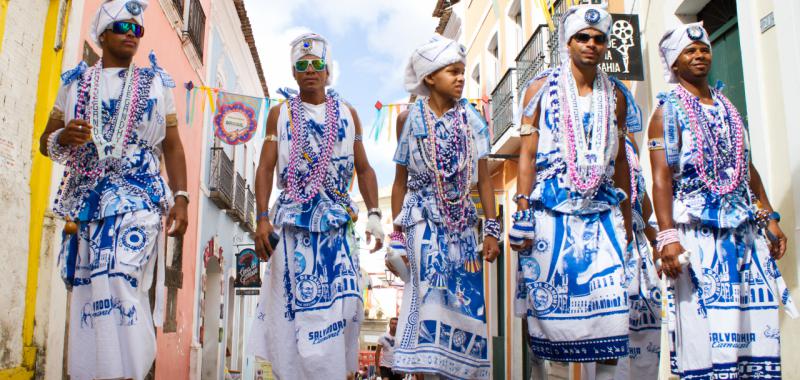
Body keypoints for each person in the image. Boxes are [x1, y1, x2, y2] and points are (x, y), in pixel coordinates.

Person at [39, 1, 188, 378]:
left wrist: (182, 198)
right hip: (88, 199)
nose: (130, 35)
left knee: (120, 276)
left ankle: (130, 371)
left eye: (137, 29)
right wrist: (63, 135)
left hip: (139, 194)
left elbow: (172, 144)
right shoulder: (74, 83)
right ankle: (99, 370)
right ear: (102, 34)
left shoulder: (156, 83)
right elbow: (45, 141)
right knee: (92, 287)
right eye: (122, 27)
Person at [649, 22, 797, 378]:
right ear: (674, 63)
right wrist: (667, 238)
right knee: (708, 336)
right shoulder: (666, 112)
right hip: (697, 238)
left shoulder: (727, 107)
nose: (699, 56)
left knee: (752, 337)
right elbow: (661, 178)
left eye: (704, 50)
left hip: (743, 236)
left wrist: (768, 216)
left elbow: (747, 168)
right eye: (690, 51)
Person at [248, 32, 383, 379]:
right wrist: (262, 218)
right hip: (292, 225)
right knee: (290, 311)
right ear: (294, 73)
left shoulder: (349, 114)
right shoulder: (279, 113)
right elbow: (264, 167)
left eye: (317, 64)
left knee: (342, 307)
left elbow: (364, 168)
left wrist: (375, 215)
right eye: (302, 65)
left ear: (327, 71)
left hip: (337, 225)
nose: (310, 70)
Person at [511, 5, 635, 379]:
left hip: (602, 213)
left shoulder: (617, 95)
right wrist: (521, 210)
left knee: (612, 315)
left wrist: (628, 223)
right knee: (547, 316)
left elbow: (622, 163)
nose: (591, 45)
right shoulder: (539, 89)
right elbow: (527, 155)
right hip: (551, 212)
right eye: (583, 37)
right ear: (568, 42)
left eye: (599, 39)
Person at [388, 34, 500, 379]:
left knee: (467, 305)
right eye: (453, 71)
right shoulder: (408, 120)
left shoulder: (474, 120)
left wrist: (492, 230)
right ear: (430, 78)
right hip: (422, 223)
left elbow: (483, 181)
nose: (461, 78)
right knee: (428, 305)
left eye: (463, 71)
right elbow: (399, 181)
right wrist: (396, 238)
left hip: (464, 229)